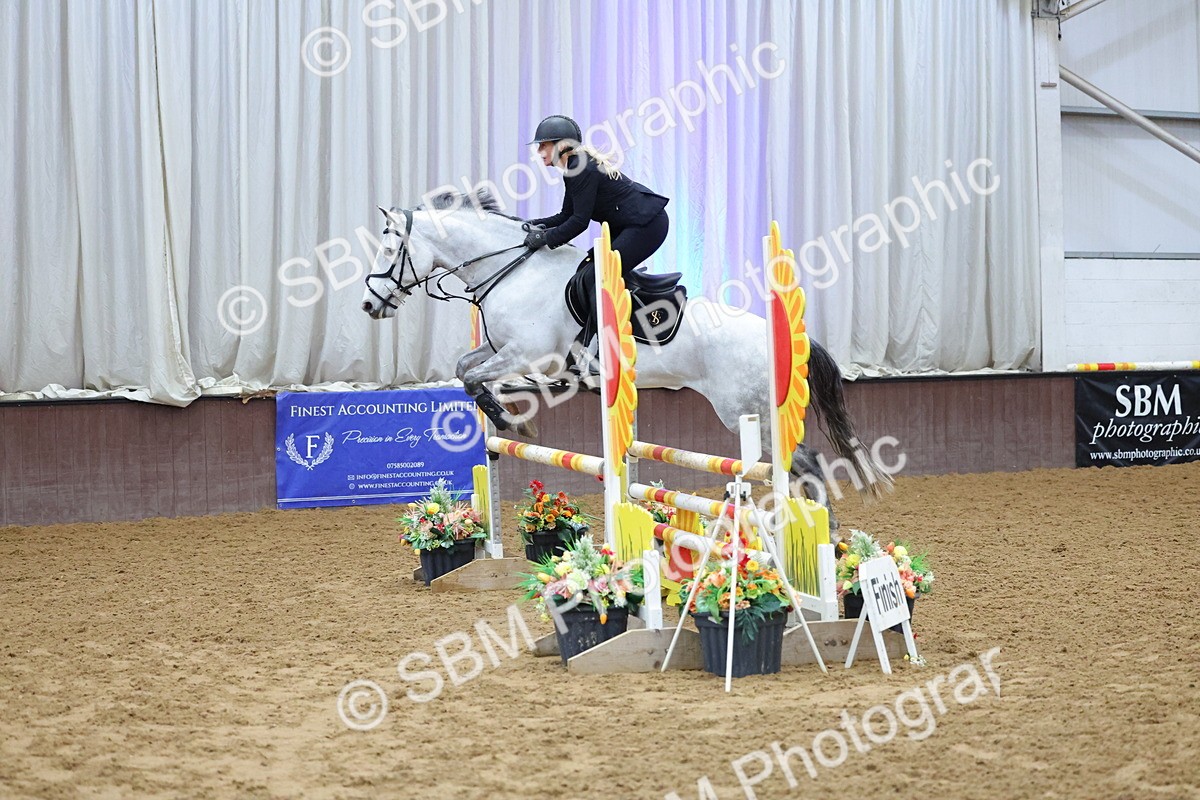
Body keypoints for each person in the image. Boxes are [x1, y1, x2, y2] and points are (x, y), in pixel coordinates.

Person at [523, 115, 671, 370]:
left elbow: (579, 222)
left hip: (647, 225)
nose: (539, 151)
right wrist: (533, 224)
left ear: (561, 145)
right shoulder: (573, 168)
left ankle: (605, 350)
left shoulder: (580, 167)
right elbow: (565, 216)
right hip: (632, 224)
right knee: (587, 271)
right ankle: (586, 343)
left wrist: (544, 239)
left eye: (543, 145)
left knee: (598, 276)